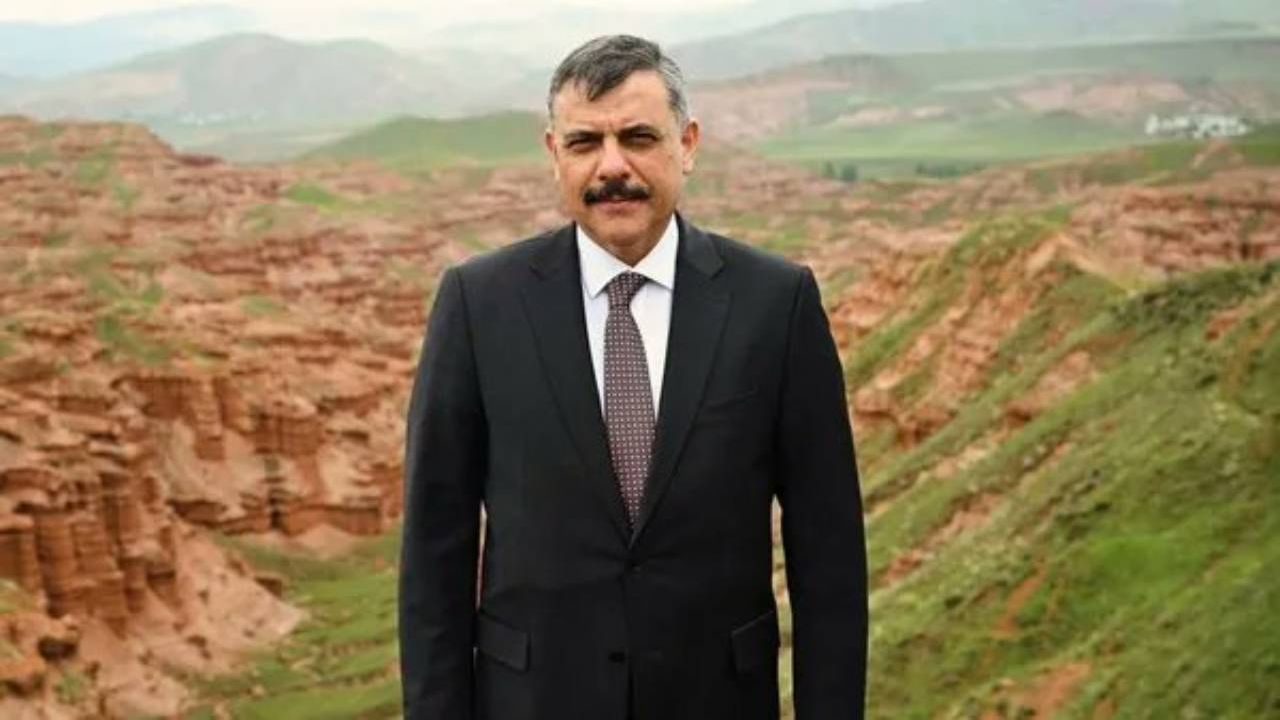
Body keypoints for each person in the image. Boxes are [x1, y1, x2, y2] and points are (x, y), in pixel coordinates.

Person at [398, 34, 868, 720]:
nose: (612, 166)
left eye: (639, 138)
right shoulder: (478, 303)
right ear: (554, 153)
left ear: (688, 143)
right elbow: (434, 551)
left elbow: (828, 555)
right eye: (585, 142)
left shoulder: (776, 303)